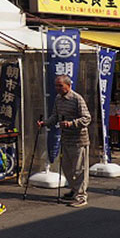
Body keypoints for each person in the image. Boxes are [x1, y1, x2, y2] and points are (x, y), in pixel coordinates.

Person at [38, 75, 91, 208]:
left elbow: (87, 118)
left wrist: (71, 123)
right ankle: (73, 190)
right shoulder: (58, 99)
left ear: (68, 85)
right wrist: (45, 123)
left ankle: (81, 196)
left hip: (79, 139)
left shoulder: (77, 99)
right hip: (66, 139)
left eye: (60, 85)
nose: (58, 88)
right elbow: (55, 116)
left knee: (79, 169)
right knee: (67, 168)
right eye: (56, 85)